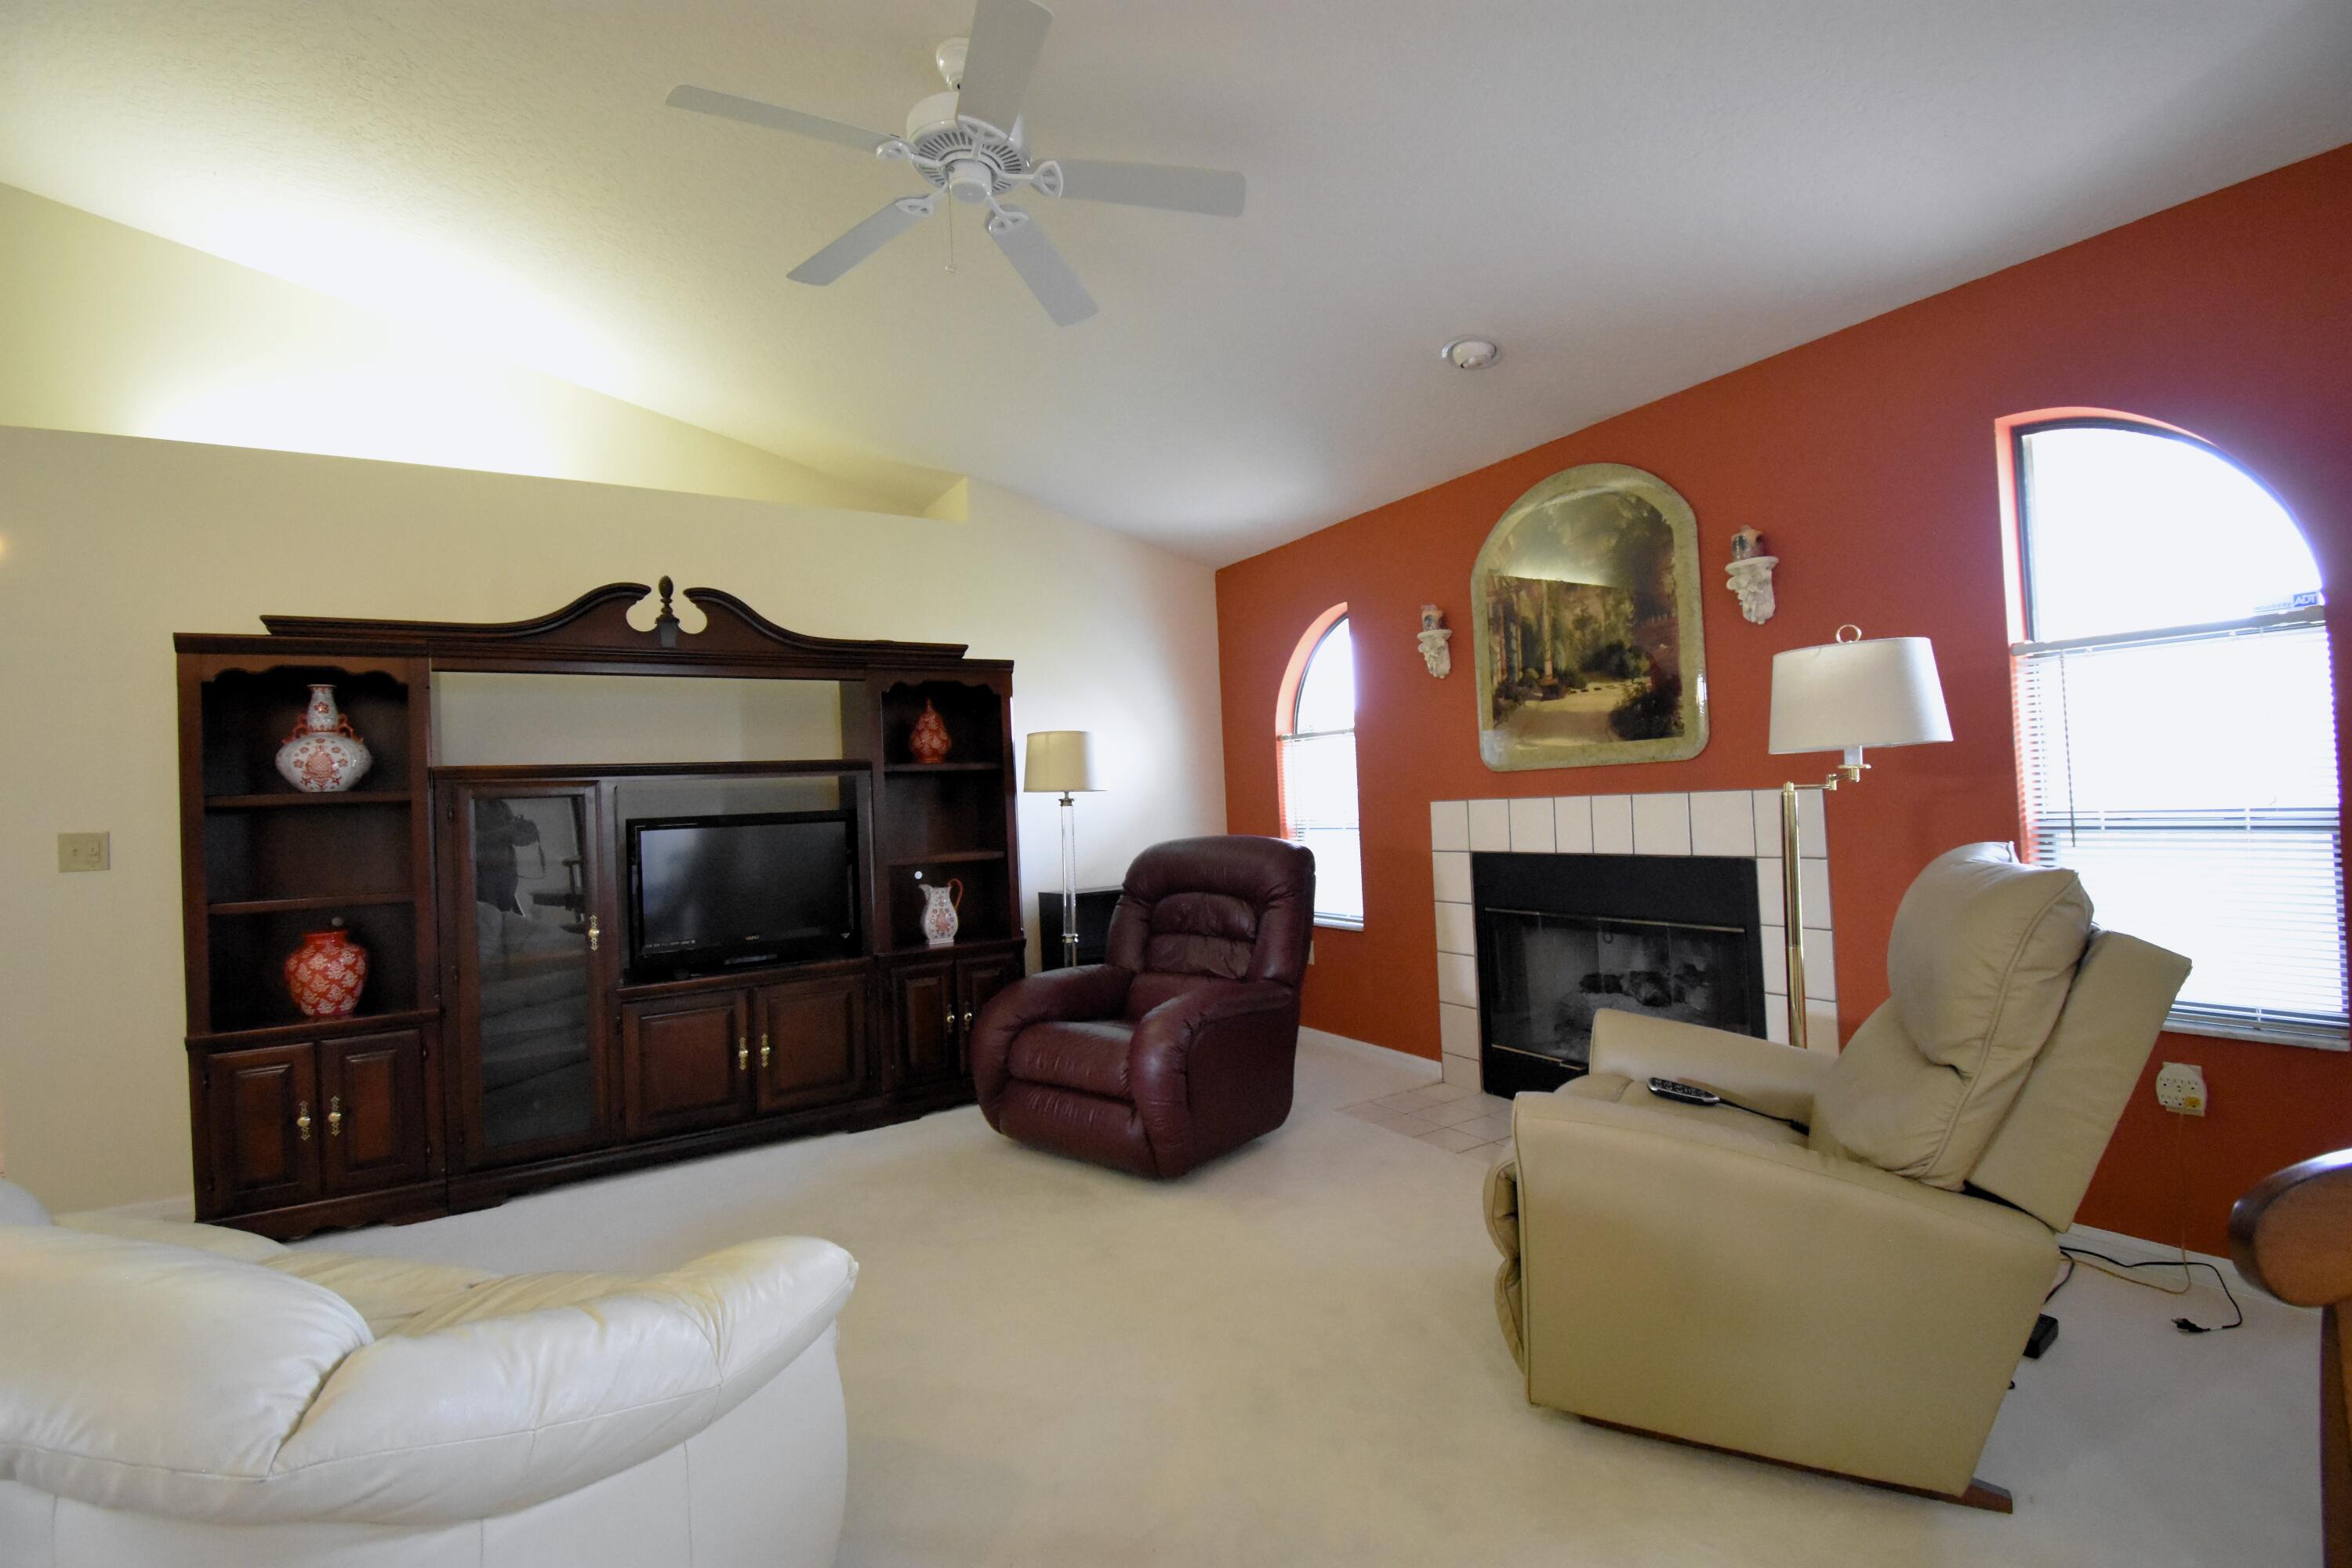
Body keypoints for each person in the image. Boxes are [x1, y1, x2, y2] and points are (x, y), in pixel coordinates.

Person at [473, 797, 541, 914]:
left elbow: (515, 837)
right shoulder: (467, 803)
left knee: (504, 912)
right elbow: (468, 838)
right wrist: (502, 832)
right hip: (481, 872)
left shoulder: (500, 805)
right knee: (489, 915)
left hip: (506, 871)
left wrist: (526, 831)